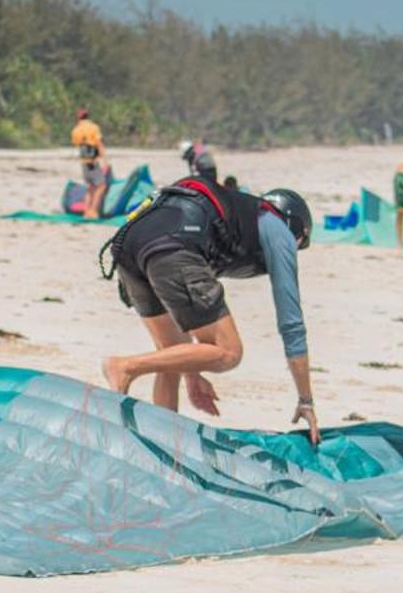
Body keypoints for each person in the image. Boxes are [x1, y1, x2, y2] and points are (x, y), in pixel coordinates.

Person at [99, 175, 320, 443]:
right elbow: (291, 322)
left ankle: (163, 447)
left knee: (169, 357)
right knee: (229, 352)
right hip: (174, 244)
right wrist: (306, 400)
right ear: (296, 228)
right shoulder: (279, 229)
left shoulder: (238, 215)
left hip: (129, 244)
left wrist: (193, 375)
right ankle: (125, 367)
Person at [71, 107, 110, 219]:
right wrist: (105, 160)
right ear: (88, 116)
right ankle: (93, 211)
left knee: (91, 187)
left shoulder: (76, 130)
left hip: (83, 161)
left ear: (78, 118)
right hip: (93, 162)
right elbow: (98, 143)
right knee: (102, 186)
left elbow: (77, 143)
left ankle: (86, 212)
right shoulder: (93, 127)